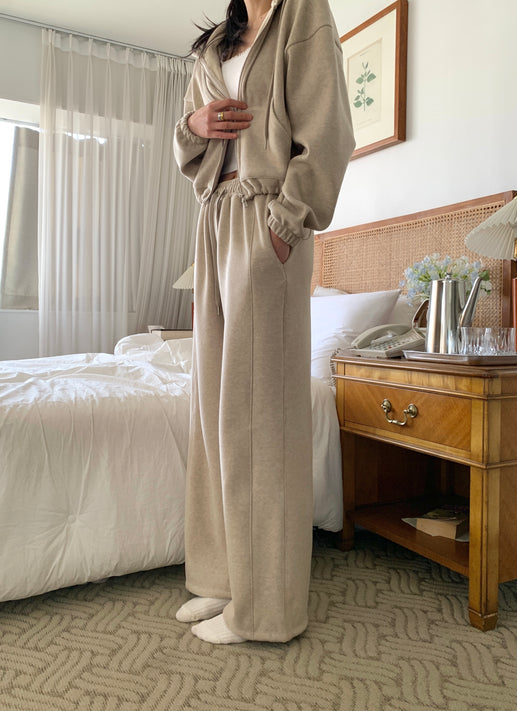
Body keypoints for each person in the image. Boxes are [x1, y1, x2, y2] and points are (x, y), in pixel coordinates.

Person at [173, 0, 354, 644]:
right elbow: (189, 148)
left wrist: (286, 222)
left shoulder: (302, 13)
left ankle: (266, 609)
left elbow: (328, 131)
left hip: (267, 219)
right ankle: (224, 577)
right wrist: (193, 125)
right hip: (214, 218)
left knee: (260, 418)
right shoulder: (217, 43)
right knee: (215, 408)